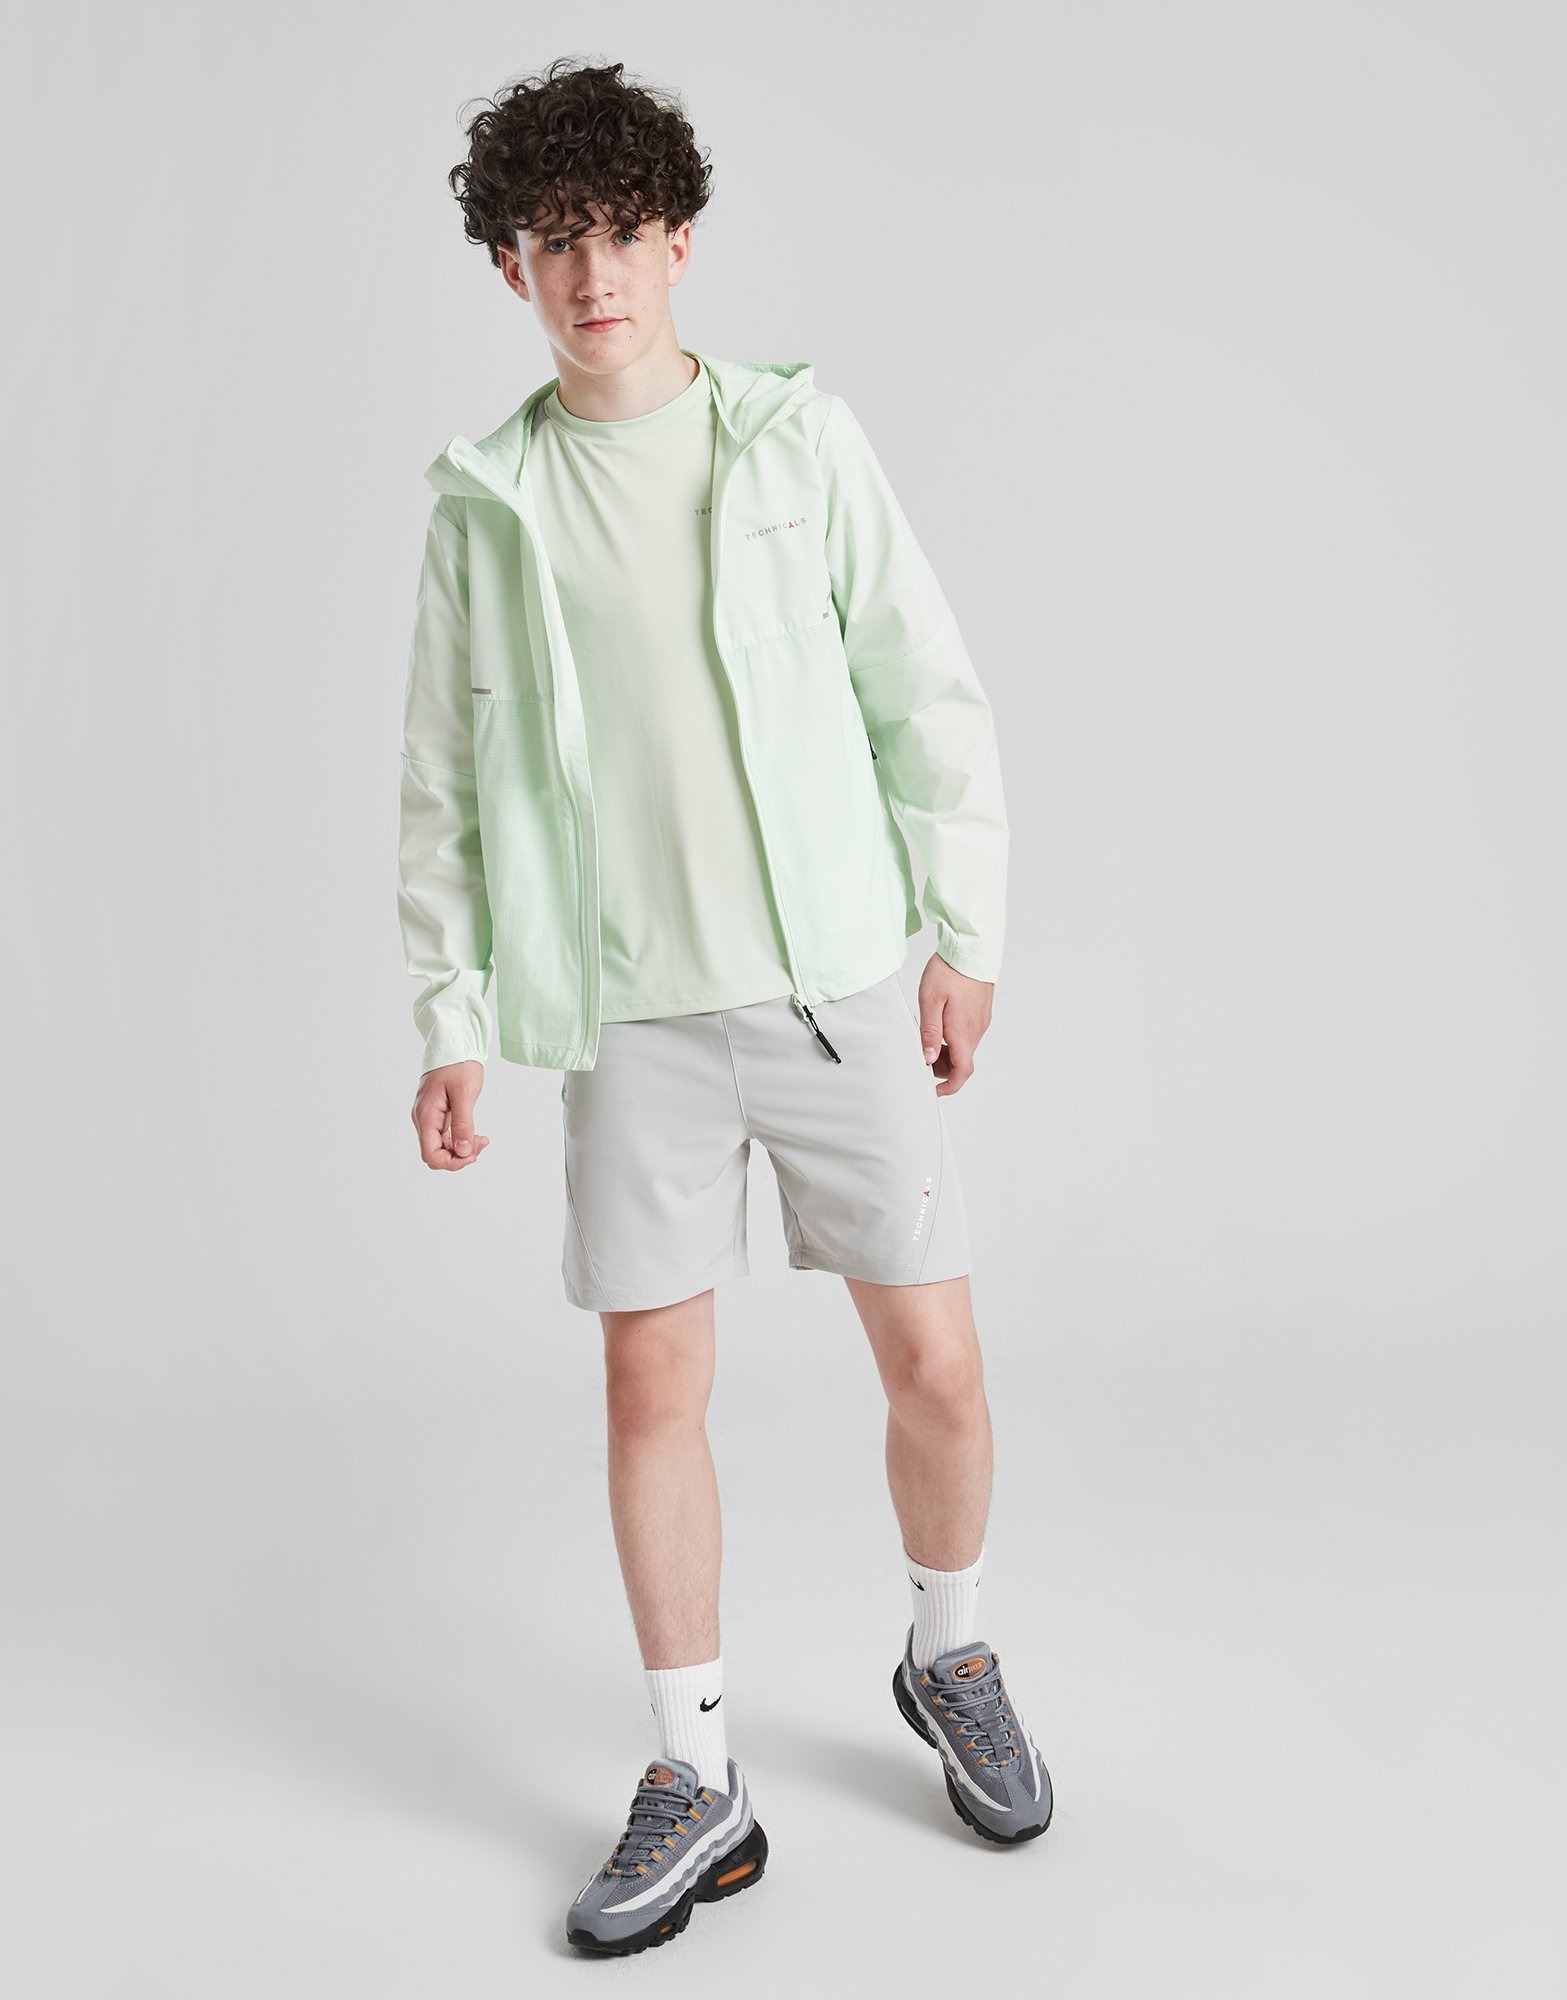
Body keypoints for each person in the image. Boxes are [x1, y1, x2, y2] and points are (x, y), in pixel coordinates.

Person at [397, 56, 1053, 1957]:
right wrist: (450, 1017)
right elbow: (442, 783)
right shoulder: (490, 503)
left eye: (621, 233)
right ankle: (698, 1774)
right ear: (510, 267)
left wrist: (965, 926)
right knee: (649, 1388)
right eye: (553, 241)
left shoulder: (793, 442)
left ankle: (951, 1649)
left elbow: (921, 685)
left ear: (680, 243)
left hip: (836, 984)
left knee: (936, 1364)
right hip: (630, 1021)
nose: (592, 273)